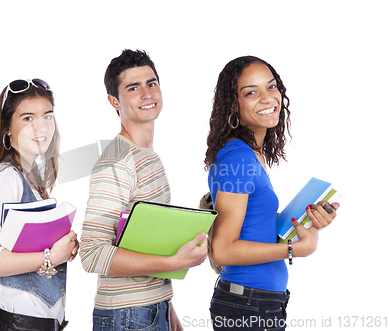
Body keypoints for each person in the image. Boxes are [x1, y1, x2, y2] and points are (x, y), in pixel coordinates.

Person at [204, 56, 339, 331]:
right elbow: (223, 249)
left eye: (271, 87)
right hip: (247, 306)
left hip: (257, 302)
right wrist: (295, 249)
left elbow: (251, 227)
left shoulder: (249, 154)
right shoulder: (238, 158)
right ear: (233, 104)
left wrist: (304, 223)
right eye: (251, 92)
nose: (268, 98)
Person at [80, 49, 208, 331]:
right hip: (127, 315)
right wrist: (173, 262)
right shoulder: (116, 163)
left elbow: (144, 243)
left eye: (151, 83)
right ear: (114, 101)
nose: (147, 93)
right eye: (133, 87)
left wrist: (168, 312)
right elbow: (91, 254)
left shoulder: (146, 156)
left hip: (151, 309)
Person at [0, 78, 79, 331]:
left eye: (47, 116)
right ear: (7, 129)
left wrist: (63, 246)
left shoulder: (31, 177)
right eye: (27, 118)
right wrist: (49, 257)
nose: (41, 127)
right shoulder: (6, 178)